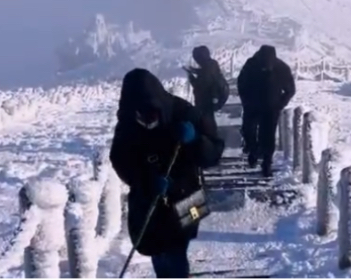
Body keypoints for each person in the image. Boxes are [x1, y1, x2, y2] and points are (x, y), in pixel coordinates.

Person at [109, 68, 225, 278]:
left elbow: (214, 154)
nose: (147, 120)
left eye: (152, 113)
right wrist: (145, 181)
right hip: (150, 198)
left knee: (176, 251)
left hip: (189, 196)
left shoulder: (184, 112)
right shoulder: (127, 122)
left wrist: (196, 141)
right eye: (140, 115)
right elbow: (120, 160)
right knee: (157, 249)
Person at [236, 44, 295, 177]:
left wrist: (280, 104)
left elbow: (290, 90)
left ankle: (267, 163)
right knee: (248, 130)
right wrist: (245, 100)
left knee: (268, 136)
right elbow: (241, 83)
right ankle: (253, 150)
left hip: (271, 108)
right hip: (252, 106)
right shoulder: (251, 65)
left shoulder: (282, 68)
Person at [184, 45, 230, 129]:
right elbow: (204, 72)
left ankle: (210, 138)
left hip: (206, 102)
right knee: (209, 121)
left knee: (207, 123)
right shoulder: (212, 63)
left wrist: (190, 76)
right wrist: (194, 70)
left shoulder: (207, 71)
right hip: (212, 99)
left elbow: (198, 85)